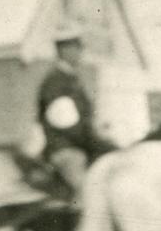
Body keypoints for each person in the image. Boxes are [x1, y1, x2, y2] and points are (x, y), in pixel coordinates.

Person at [36, 28, 115, 194]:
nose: (81, 52)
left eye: (79, 47)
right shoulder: (55, 82)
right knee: (88, 194)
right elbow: (67, 125)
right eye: (76, 47)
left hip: (82, 145)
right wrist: (97, 142)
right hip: (66, 149)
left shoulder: (72, 79)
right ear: (63, 50)